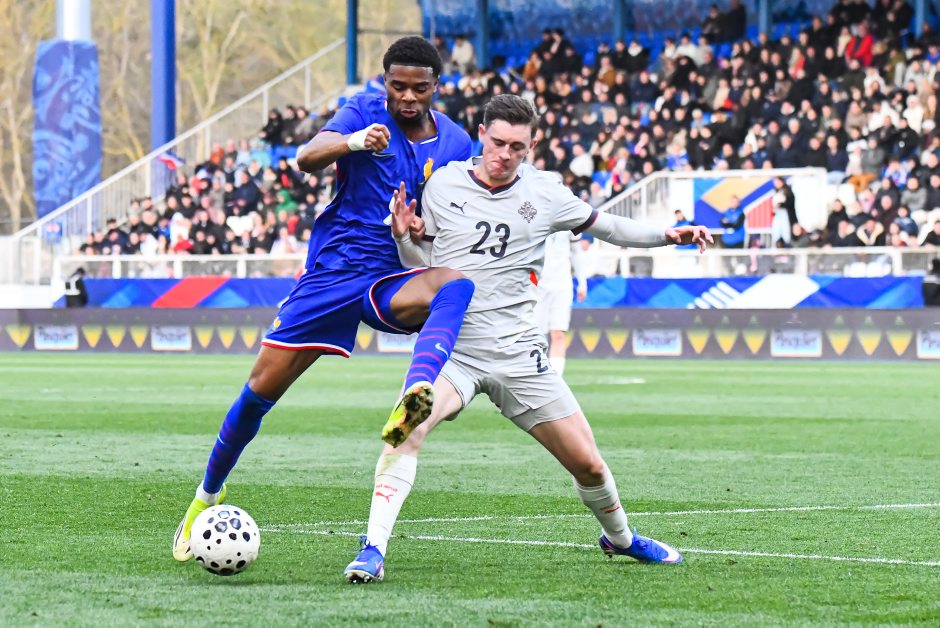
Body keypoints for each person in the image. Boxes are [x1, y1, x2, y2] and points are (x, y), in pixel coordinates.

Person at [344, 94, 712, 583]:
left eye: (517, 147)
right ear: (481, 135)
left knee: (590, 466)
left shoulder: (546, 193)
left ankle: (621, 539)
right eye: (498, 142)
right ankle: (373, 549)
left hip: (519, 355)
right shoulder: (444, 184)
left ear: (531, 146)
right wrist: (403, 237)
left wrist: (667, 235)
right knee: (405, 429)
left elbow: (608, 226)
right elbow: (423, 265)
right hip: (454, 351)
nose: (505, 154)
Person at [171, 36, 476, 563]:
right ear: (385, 82)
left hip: (392, 276)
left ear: (436, 87)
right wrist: (355, 142)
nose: (407, 97)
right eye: (398, 86)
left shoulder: (456, 142)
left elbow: (456, 217)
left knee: (455, 284)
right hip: (333, 275)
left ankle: (417, 388)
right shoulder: (363, 110)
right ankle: (205, 496)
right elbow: (305, 157)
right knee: (258, 394)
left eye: (419, 88)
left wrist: (421, 232)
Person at [533, 230, 587, 376]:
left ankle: (556, 379)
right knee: (537, 336)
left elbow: (576, 252)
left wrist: (582, 282)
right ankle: (538, 376)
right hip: (538, 286)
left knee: (558, 334)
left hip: (562, 285)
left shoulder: (570, 221)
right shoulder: (533, 218)